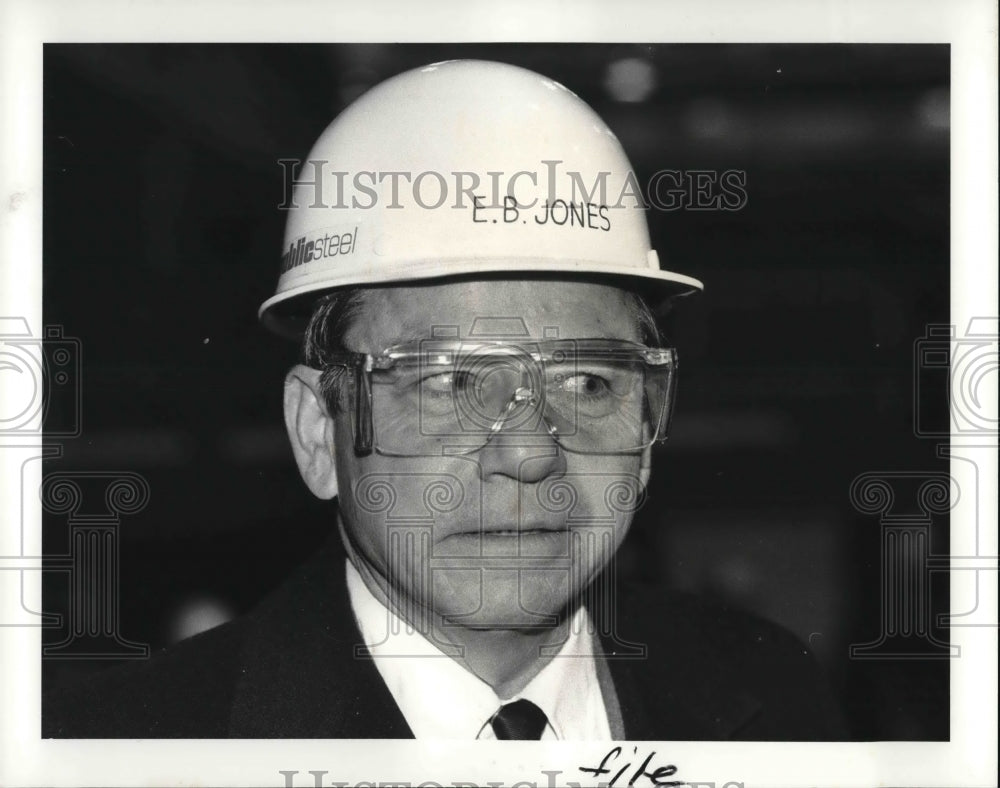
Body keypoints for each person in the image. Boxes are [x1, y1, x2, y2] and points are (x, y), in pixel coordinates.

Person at [44, 60, 845, 740]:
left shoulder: (768, 698)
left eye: (587, 382)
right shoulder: (138, 748)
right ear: (319, 430)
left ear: (645, 421)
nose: (531, 451)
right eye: (451, 382)